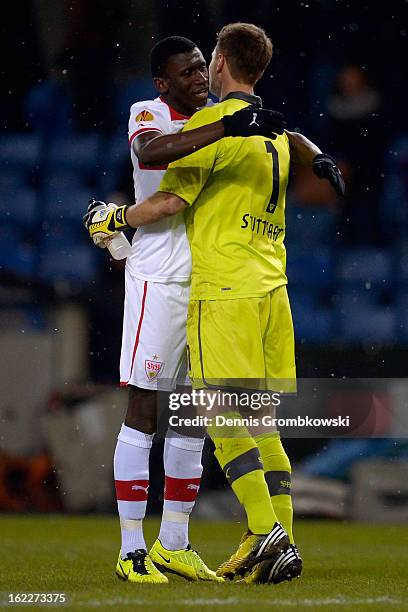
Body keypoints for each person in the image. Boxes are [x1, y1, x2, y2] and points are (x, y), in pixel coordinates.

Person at [85, 23, 344, 584]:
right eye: (187, 71)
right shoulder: (152, 113)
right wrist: (231, 122)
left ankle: (175, 540)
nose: (199, 76)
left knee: (195, 421)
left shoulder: (233, 120)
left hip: (213, 282)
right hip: (164, 276)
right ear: (162, 82)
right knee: (148, 411)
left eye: (204, 65)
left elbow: (287, 133)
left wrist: (317, 152)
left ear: (221, 63)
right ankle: (132, 548)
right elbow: (155, 154)